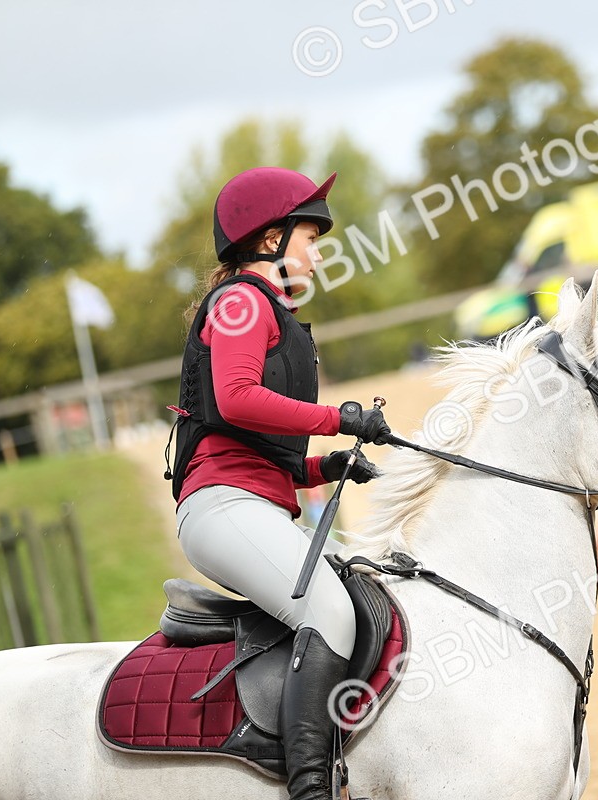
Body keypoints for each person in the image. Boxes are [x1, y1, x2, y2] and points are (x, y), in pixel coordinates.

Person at [164, 167, 394, 800]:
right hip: (222, 507)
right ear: (270, 238)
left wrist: (326, 466)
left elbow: (266, 452)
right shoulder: (241, 301)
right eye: (310, 237)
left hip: (255, 503)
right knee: (329, 610)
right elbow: (236, 400)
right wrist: (336, 419)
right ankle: (310, 789)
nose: (319, 254)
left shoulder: (272, 313)